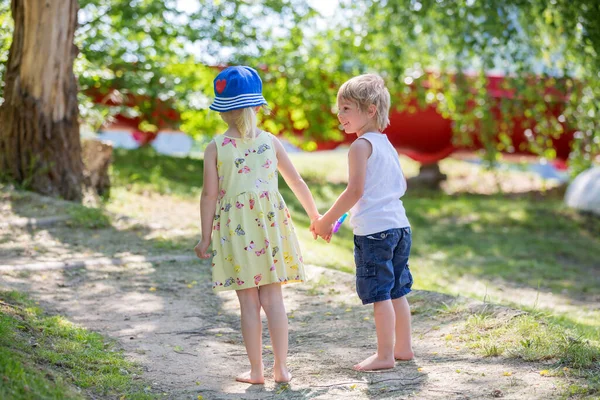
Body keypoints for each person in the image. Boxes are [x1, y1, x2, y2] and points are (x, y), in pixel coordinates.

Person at [194, 66, 320, 384]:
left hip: (236, 233)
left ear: (223, 112)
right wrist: (316, 216)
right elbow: (298, 182)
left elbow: (209, 196)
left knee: (248, 303)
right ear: (257, 106)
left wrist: (205, 237)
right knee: (273, 300)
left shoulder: (216, 148)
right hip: (269, 228)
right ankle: (282, 368)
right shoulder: (270, 142)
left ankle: (256, 371)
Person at [311, 73, 414, 371]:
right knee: (398, 290)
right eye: (338, 108)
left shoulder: (359, 147)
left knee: (380, 294)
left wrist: (326, 220)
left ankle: (384, 356)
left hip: (375, 235)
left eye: (346, 108)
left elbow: (354, 191)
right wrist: (339, 221)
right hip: (399, 228)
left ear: (370, 110)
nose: (338, 114)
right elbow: (376, 192)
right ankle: (403, 348)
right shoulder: (386, 145)